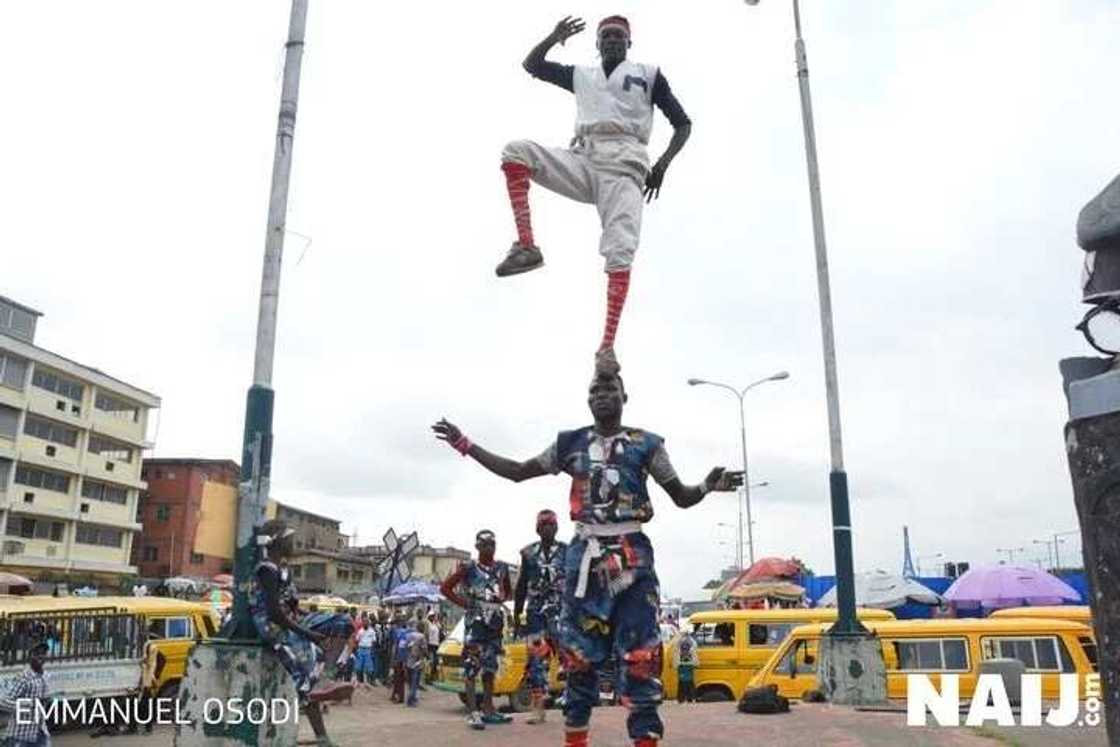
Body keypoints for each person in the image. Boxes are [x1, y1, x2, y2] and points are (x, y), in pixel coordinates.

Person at [432, 373, 743, 747]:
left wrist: (708, 486)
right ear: (587, 400)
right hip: (585, 566)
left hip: (633, 561)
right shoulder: (570, 444)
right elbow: (517, 472)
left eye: (609, 389)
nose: (601, 396)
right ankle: (575, 740)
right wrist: (465, 444)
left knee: (641, 657)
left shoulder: (647, 444)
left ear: (625, 395)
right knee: (578, 661)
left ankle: (645, 740)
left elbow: (680, 495)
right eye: (594, 390)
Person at [496, 15, 692, 378]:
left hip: (624, 167)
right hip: (585, 159)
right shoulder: (582, 76)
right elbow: (532, 65)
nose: (613, 40)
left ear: (629, 43)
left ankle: (606, 345)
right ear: (598, 43)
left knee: (619, 249)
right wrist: (553, 36)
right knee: (516, 152)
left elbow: (683, 123)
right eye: (606, 36)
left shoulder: (648, 75)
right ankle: (526, 246)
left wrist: (662, 165)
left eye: (619, 35)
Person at [249, 520, 333, 746]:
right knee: (302, 677)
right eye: (288, 538)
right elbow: (275, 613)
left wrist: (307, 617)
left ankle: (316, 720)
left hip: (284, 626)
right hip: (273, 630)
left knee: (315, 661)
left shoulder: (280, 570)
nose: (293, 542)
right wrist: (307, 633)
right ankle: (283, 722)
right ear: (277, 543)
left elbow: (288, 604)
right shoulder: (267, 569)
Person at [439, 530, 514, 730]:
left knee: (490, 668)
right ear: (478, 547)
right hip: (476, 625)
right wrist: (465, 603)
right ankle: (473, 712)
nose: (490, 547)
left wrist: (499, 600)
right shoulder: (468, 568)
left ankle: (489, 709)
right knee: (472, 667)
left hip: (495, 624)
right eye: (486, 544)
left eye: (493, 544)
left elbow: (508, 591)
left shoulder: (502, 568)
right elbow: (445, 588)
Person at [513, 509, 568, 724]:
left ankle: (571, 701)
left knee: (568, 655)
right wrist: (518, 613)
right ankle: (538, 708)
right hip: (535, 611)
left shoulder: (566, 550)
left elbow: (575, 580)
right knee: (536, 659)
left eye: (552, 524)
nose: (548, 528)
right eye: (544, 524)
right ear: (538, 528)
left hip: (560, 610)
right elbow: (521, 585)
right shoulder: (528, 553)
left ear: (556, 527)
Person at [0, 642, 51, 747]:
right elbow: (3, 702)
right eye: (37, 653)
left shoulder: (45, 676)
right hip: (20, 737)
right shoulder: (23, 678)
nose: (40, 656)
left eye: (43, 653)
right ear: (30, 656)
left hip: (39, 733)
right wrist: (29, 705)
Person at [673, 627, 699, 704]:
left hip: (683, 664)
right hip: (687, 664)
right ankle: (690, 698)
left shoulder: (680, 640)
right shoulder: (691, 641)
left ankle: (683, 699)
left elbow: (676, 650)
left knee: (683, 683)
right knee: (689, 683)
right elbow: (694, 650)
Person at [404, 622, 427, 707]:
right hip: (417, 661)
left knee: (410, 682)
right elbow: (424, 649)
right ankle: (411, 700)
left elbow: (405, 646)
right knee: (415, 682)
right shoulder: (422, 637)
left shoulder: (409, 635)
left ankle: (412, 697)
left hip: (409, 660)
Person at [353, 618, 377, 686]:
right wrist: (357, 649)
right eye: (364, 622)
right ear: (362, 623)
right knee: (359, 666)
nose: (365, 623)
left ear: (368, 623)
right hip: (361, 649)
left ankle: (371, 681)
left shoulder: (372, 631)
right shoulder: (360, 631)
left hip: (368, 650)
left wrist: (372, 649)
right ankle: (359, 681)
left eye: (366, 622)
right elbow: (357, 640)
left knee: (369, 666)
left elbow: (374, 641)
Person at [424, 611, 442, 684]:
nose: (433, 617)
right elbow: (426, 634)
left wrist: (437, 621)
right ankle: (428, 678)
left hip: (436, 644)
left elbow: (440, 628)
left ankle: (432, 676)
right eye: (431, 616)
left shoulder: (435, 624)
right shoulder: (427, 623)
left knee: (435, 661)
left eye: (433, 616)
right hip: (430, 644)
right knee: (430, 661)